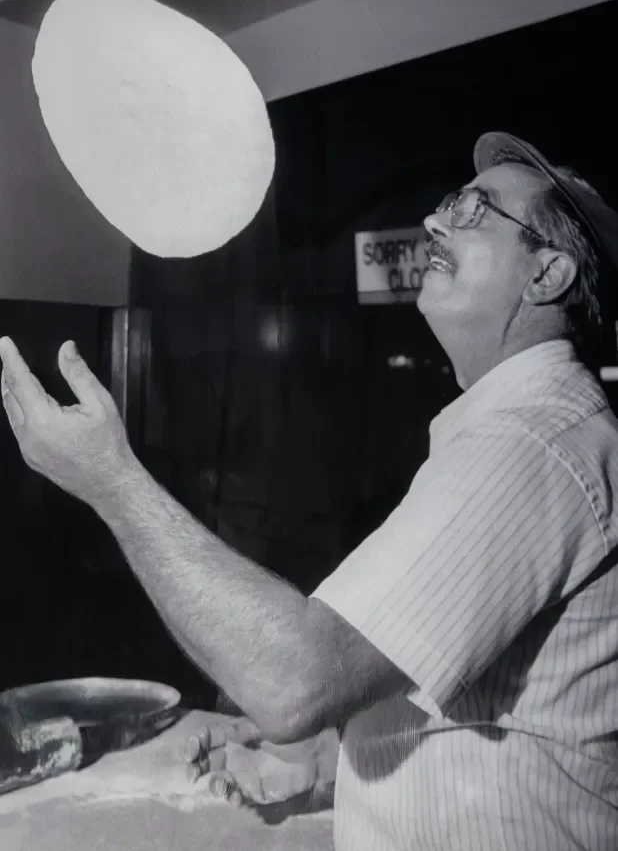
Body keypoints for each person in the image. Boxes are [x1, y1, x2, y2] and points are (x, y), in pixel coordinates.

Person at [2, 131, 618, 850]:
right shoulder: (523, 430)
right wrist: (326, 761)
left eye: (478, 211)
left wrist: (109, 477)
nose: (434, 222)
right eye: (451, 202)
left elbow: (294, 680)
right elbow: (494, 708)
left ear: (547, 276)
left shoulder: (529, 443)